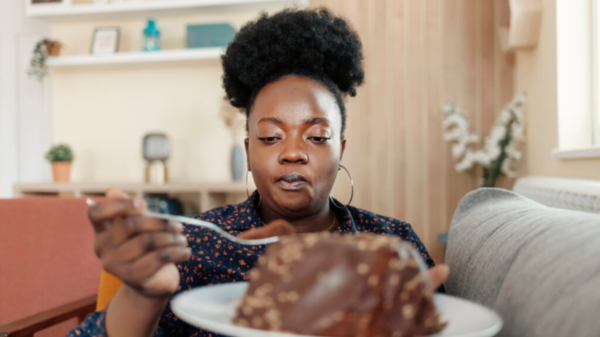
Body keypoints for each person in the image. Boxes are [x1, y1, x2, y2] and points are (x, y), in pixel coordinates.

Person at [69, 7, 449, 337]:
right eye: (271, 136)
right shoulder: (195, 246)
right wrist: (142, 296)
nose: (293, 153)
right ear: (249, 151)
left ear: (341, 149)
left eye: (316, 137)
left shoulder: (392, 242)